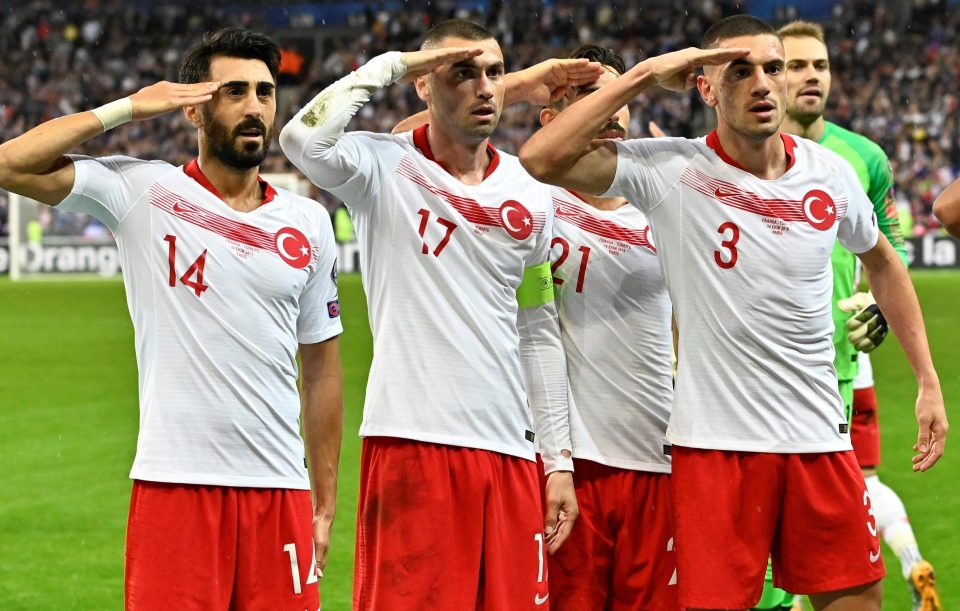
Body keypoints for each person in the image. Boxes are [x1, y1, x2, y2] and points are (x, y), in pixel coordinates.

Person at [520, 14, 948, 611]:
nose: (763, 84)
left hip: (819, 439)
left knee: (858, 602)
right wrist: (643, 75)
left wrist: (927, 379)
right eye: (739, 71)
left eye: (772, 67)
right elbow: (541, 158)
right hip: (715, 450)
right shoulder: (671, 170)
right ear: (705, 86)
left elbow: (882, 260)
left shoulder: (832, 176)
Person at [0, 28, 343, 610]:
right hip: (174, 485)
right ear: (193, 108)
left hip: (280, 492)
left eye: (263, 91)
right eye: (233, 91)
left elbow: (322, 370)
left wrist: (325, 502)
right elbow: (10, 162)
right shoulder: (141, 189)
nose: (254, 106)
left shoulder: (308, 222)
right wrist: (129, 107)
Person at [280, 19, 603, 611]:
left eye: (495, 74)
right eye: (463, 73)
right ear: (424, 85)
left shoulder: (531, 194)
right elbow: (302, 139)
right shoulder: (382, 166)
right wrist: (394, 64)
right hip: (412, 443)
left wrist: (556, 461)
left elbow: (536, 330)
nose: (485, 88)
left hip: (508, 451)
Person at [778, 20, 940, 611]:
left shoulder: (862, 158)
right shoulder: (739, 154)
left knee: (828, 540)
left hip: (837, 369)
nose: (809, 76)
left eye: (818, 65)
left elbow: (887, 251)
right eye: (795, 65)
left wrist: (875, 303)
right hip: (749, 373)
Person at [541, 45, 679, 611]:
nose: (610, 111)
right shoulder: (531, 202)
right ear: (552, 121)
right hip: (572, 468)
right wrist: (523, 85)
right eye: (589, 99)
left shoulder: (666, 209)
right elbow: (416, 135)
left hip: (661, 461)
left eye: (619, 99)